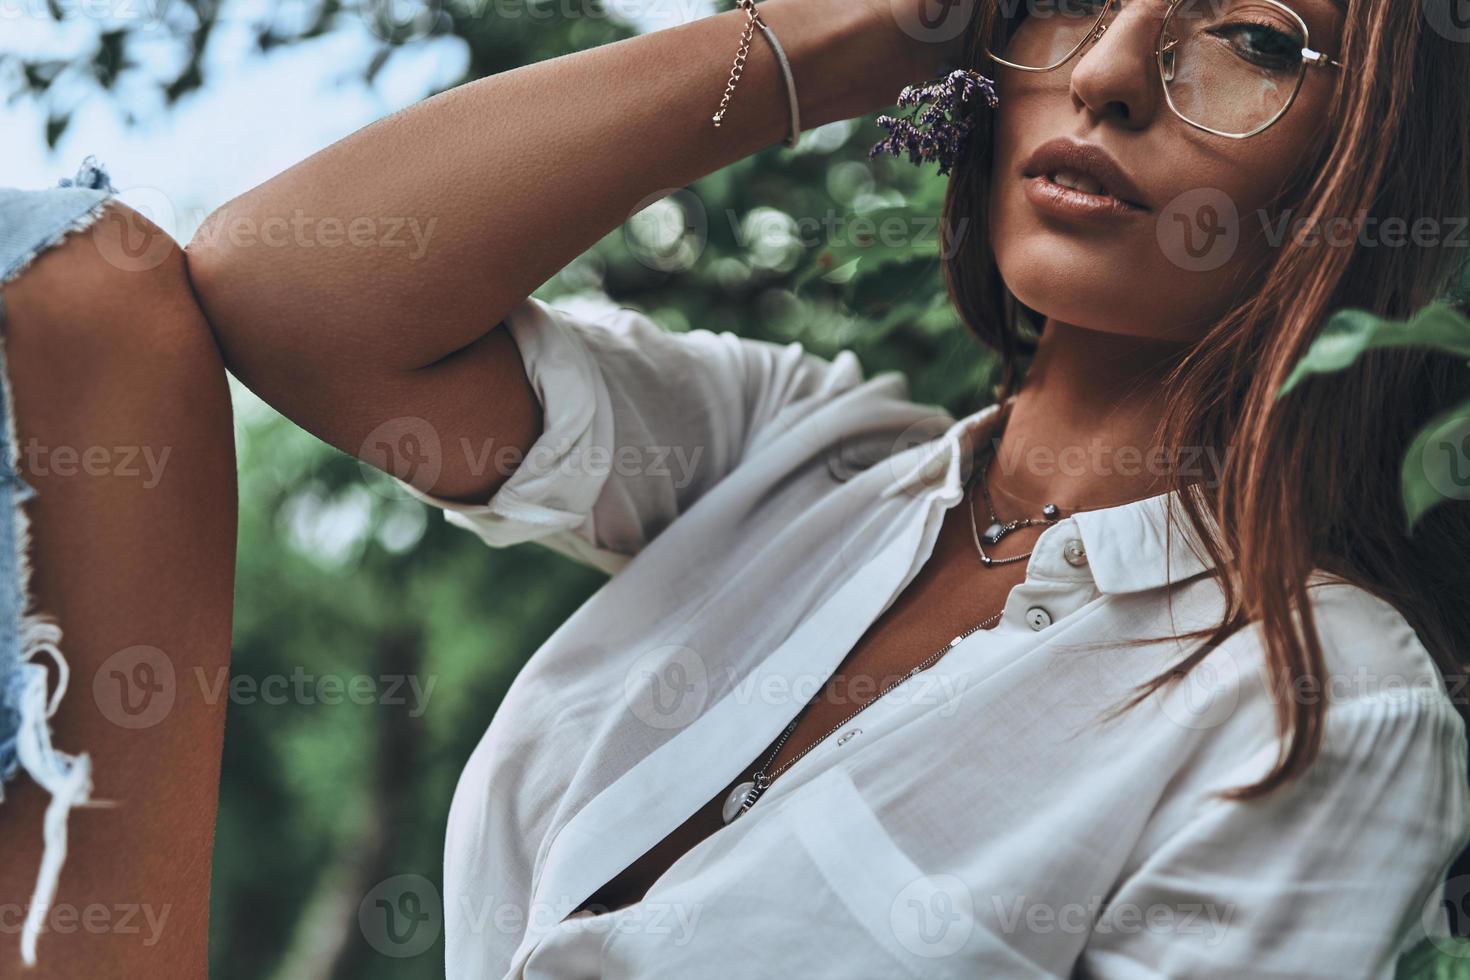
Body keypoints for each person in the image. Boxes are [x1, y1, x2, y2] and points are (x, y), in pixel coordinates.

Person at [1, 0, 1467, 976]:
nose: (1100, 73)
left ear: (1383, 151)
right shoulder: (789, 455)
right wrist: (857, 36)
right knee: (79, 284)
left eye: (1255, 40)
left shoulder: (1324, 705)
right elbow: (287, 290)